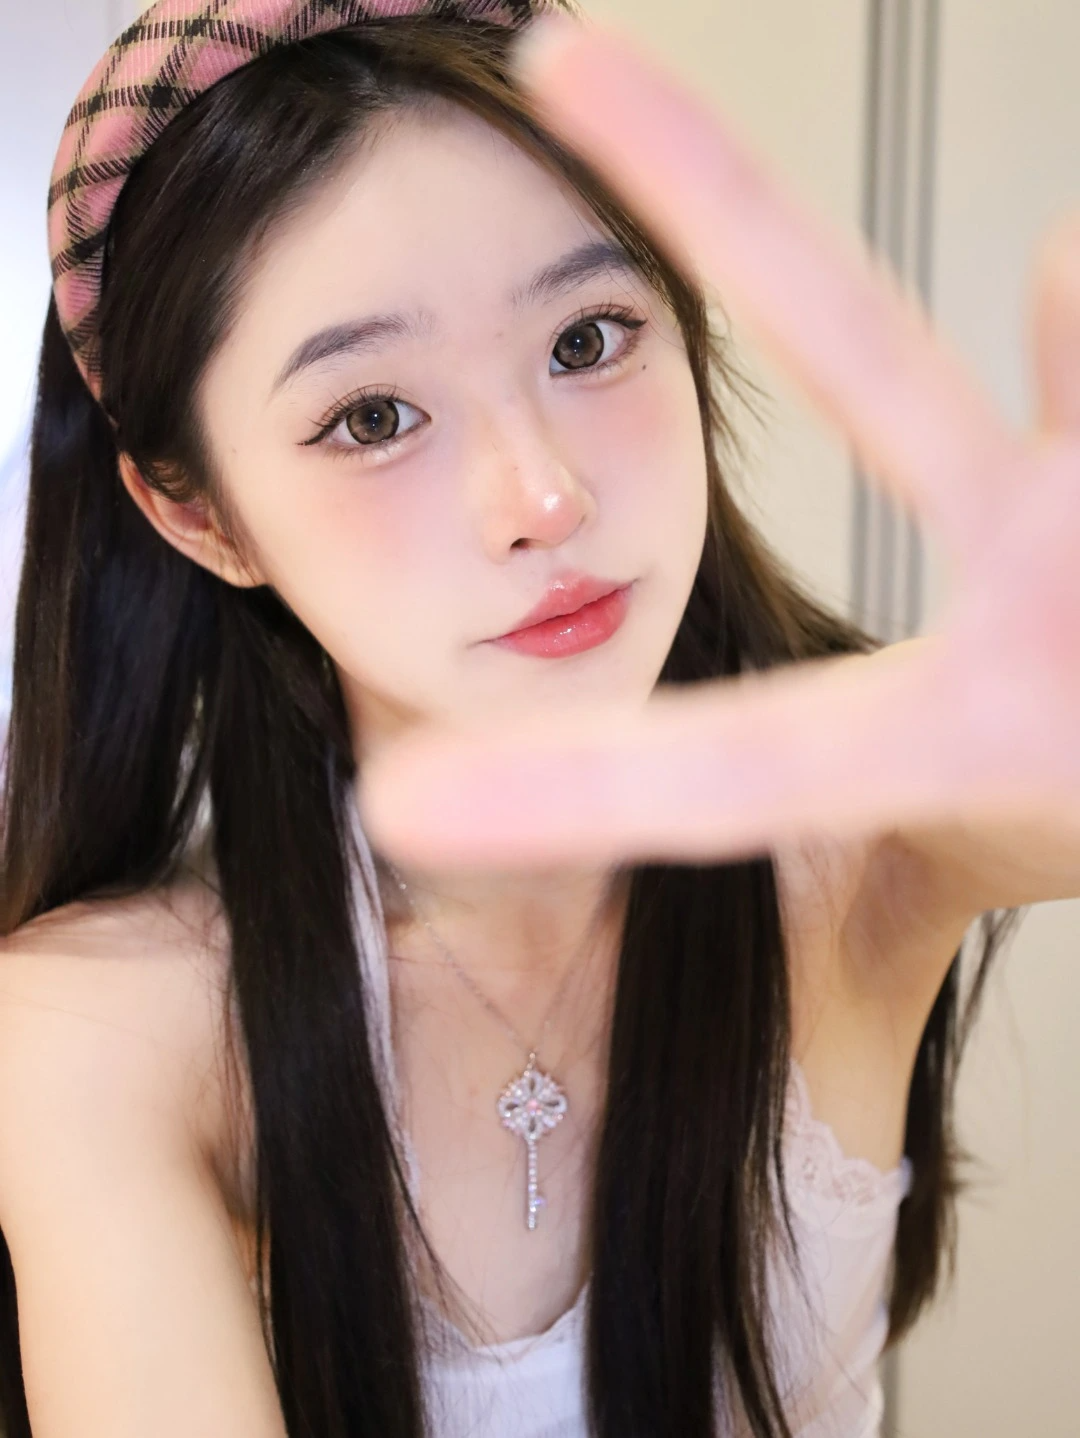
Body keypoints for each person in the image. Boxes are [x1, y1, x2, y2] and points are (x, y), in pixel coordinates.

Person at [0, 2, 1074, 1437]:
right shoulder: (100, 1029)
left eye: (587, 336)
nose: (544, 498)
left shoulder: (866, 839)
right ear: (201, 515)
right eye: (373, 417)